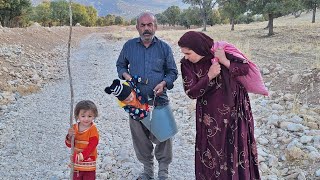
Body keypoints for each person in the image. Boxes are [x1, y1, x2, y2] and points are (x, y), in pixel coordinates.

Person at [178, 31, 260, 179]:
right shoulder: (187, 65)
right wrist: (209, 76)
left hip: (236, 112)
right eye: (184, 53)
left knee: (236, 149)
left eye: (188, 53)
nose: (186, 57)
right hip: (211, 118)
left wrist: (224, 61)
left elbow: (244, 68)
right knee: (213, 152)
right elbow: (191, 92)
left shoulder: (220, 52)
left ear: (199, 49)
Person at [116, 12, 178, 180]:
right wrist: (126, 76)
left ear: (155, 26)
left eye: (149, 25)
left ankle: (163, 172)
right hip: (135, 102)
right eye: (142, 25)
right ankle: (148, 171)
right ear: (137, 27)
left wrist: (164, 83)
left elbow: (172, 72)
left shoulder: (164, 48)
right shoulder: (129, 46)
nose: (146, 28)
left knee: (164, 136)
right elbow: (120, 65)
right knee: (140, 139)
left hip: (160, 101)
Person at [65, 100, 99, 180]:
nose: (86, 119)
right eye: (83, 116)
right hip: (76, 165)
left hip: (88, 165)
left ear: (94, 116)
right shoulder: (74, 128)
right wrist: (69, 136)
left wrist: (79, 157)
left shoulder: (93, 130)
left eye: (90, 116)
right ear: (77, 116)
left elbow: (91, 147)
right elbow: (70, 145)